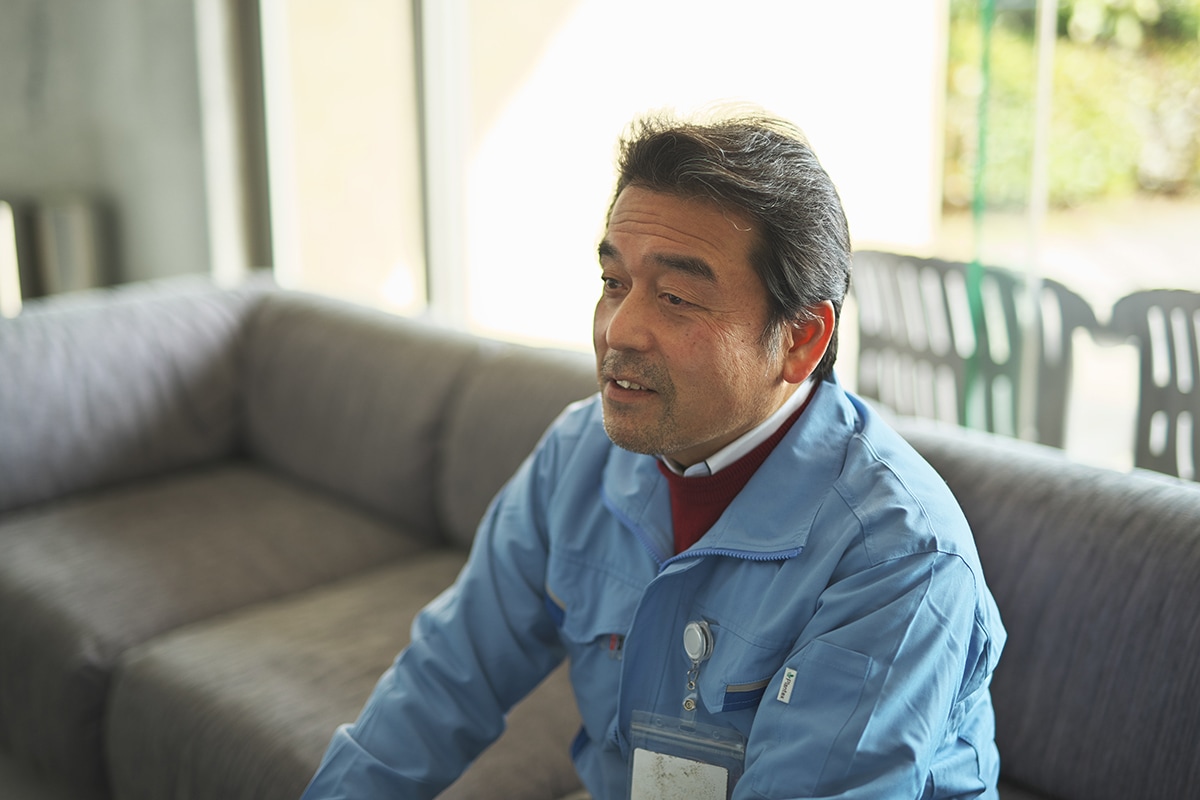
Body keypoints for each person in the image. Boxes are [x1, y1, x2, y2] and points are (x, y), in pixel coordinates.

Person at [300, 108, 1006, 799]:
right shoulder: (579, 455)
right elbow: (443, 680)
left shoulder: (899, 557)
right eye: (614, 283)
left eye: (674, 297)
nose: (620, 329)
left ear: (800, 340)